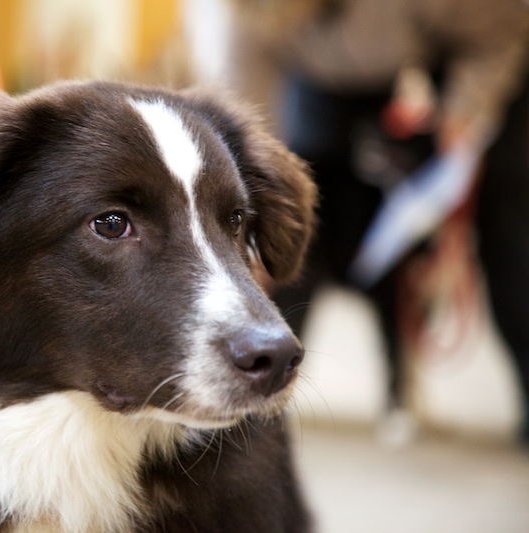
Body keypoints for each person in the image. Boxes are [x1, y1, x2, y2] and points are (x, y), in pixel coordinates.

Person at [227, 0, 529, 443]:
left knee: (509, 231)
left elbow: (498, 35)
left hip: (469, 51)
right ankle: (260, 402)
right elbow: (249, 116)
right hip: (319, 84)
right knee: (293, 240)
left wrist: (465, 117)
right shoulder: (244, 17)